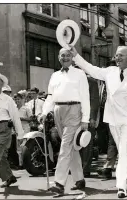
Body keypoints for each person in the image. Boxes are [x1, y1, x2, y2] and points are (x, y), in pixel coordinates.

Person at [71, 45, 127, 198]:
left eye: (121, 55)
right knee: (123, 150)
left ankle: (121, 186)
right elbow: (90, 68)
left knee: (124, 148)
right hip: (113, 117)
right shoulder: (109, 72)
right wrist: (76, 56)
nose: (117, 58)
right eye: (116, 56)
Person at [38, 48, 90, 196]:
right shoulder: (54, 75)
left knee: (65, 147)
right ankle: (79, 179)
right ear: (59, 58)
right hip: (58, 111)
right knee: (71, 147)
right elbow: (50, 96)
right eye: (63, 55)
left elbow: (85, 97)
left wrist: (85, 118)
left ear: (72, 58)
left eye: (68, 55)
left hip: (74, 110)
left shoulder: (80, 74)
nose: (65, 58)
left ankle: (59, 183)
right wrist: (44, 112)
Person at [79, 74, 100, 177]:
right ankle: (76, 168)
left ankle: (85, 168)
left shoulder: (91, 81)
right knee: (74, 143)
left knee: (86, 142)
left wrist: (92, 117)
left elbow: (94, 100)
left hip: (86, 117)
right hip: (72, 116)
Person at [13, 93, 33, 168]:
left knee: (24, 146)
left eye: (18, 99)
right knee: (18, 147)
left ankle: (27, 163)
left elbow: (31, 119)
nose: (17, 101)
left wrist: (21, 118)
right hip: (17, 129)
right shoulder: (14, 108)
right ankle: (20, 164)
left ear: (22, 100)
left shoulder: (26, 108)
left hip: (25, 128)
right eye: (16, 99)